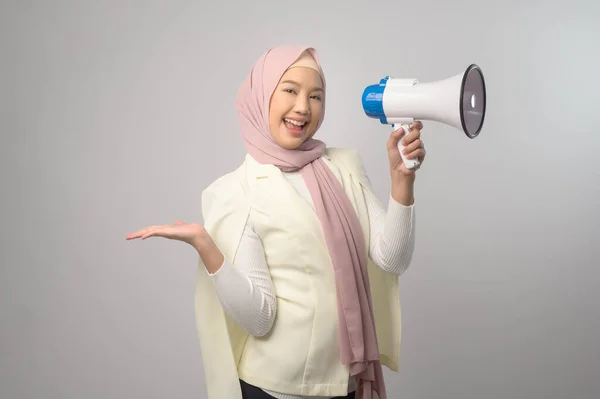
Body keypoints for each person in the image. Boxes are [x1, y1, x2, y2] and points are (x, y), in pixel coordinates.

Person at [126, 45, 426, 399]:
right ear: (261, 96)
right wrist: (204, 244)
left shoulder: (343, 167)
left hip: (345, 384)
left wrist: (401, 181)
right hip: (275, 389)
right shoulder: (236, 191)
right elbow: (259, 318)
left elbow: (392, 259)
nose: (303, 106)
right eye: (289, 90)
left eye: (316, 95)